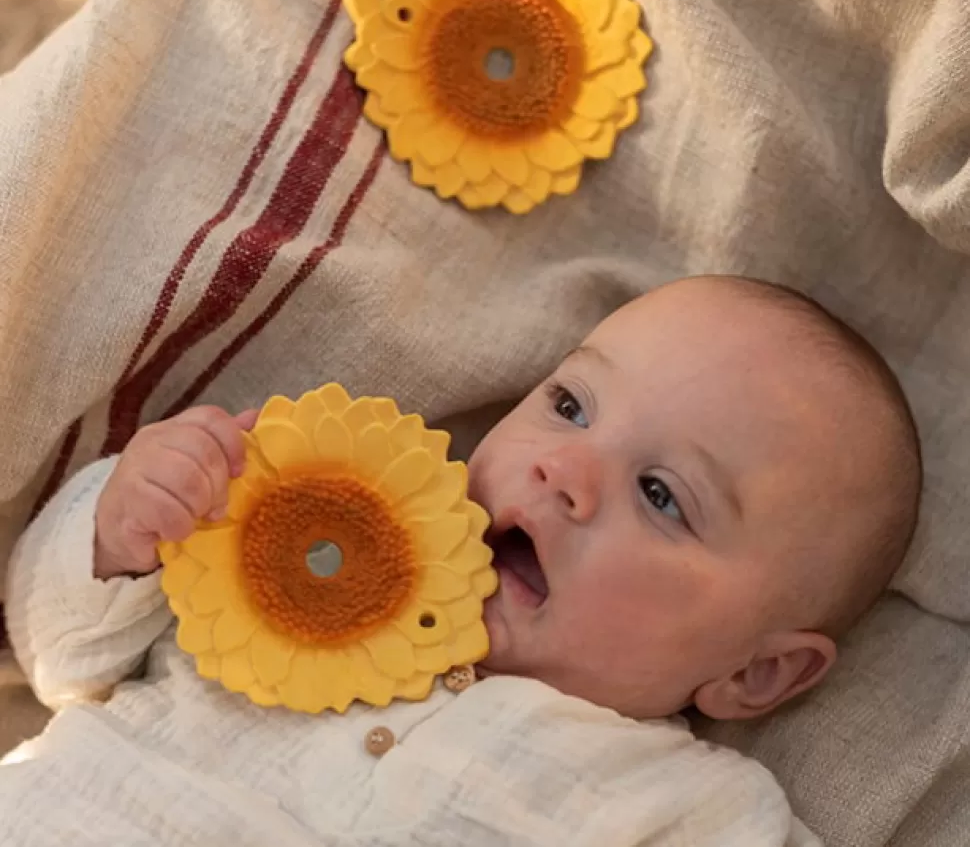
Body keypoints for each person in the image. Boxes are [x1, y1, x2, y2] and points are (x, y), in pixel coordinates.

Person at [0, 275, 921, 846]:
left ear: (757, 671)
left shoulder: (683, 807)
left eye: (661, 495)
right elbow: (57, 655)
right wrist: (124, 531)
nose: (564, 471)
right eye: (570, 406)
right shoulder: (288, 550)